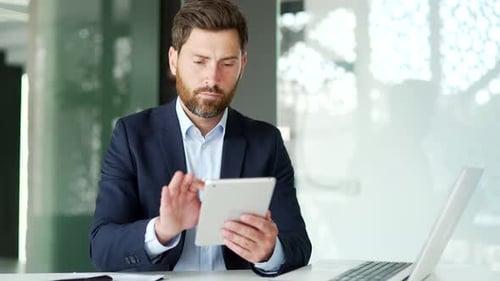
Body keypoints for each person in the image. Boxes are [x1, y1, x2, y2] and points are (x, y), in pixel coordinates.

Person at [89, 0, 311, 276]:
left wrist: (269, 252)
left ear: (242, 64)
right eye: (199, 61)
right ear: (174, 60)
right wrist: (162, 231)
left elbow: (299, 245)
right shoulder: (132, 136)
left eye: (227, 63)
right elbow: (101, 247)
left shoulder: (266, 142)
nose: (212, 77)